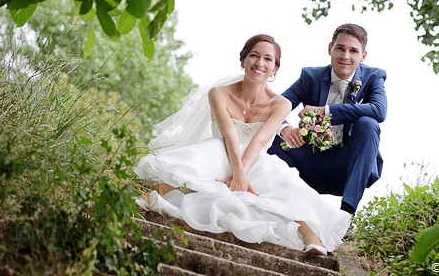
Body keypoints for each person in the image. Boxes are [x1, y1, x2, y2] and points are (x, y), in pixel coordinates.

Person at [134, 34, 350, 255]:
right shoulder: (218, 93)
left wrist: (240, 176)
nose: (260, 63)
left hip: (255, 161)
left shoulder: (281, 104)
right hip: (220, 152)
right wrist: (236, 174)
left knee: (280, 177)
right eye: (254, 56)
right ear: (242, 61)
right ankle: (152, 195)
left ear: (275, 69)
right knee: (206, 152)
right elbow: (228, 135)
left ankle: (310, 236)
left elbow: (259, 141)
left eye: (268, 59)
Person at [267, 23, 387, 215]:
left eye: (353, 51)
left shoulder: (373, 77)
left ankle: (346, 213)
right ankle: (281, 205)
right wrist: (286, 129)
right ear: (330, 48)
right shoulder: (310, 77)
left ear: (363, 56)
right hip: (309, 161)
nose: (345, 56)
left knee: (368, 124)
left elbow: (379, 110)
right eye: (340, 48)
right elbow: (275, 107)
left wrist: (326, 111)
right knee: (272, 137)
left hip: (346, 166)